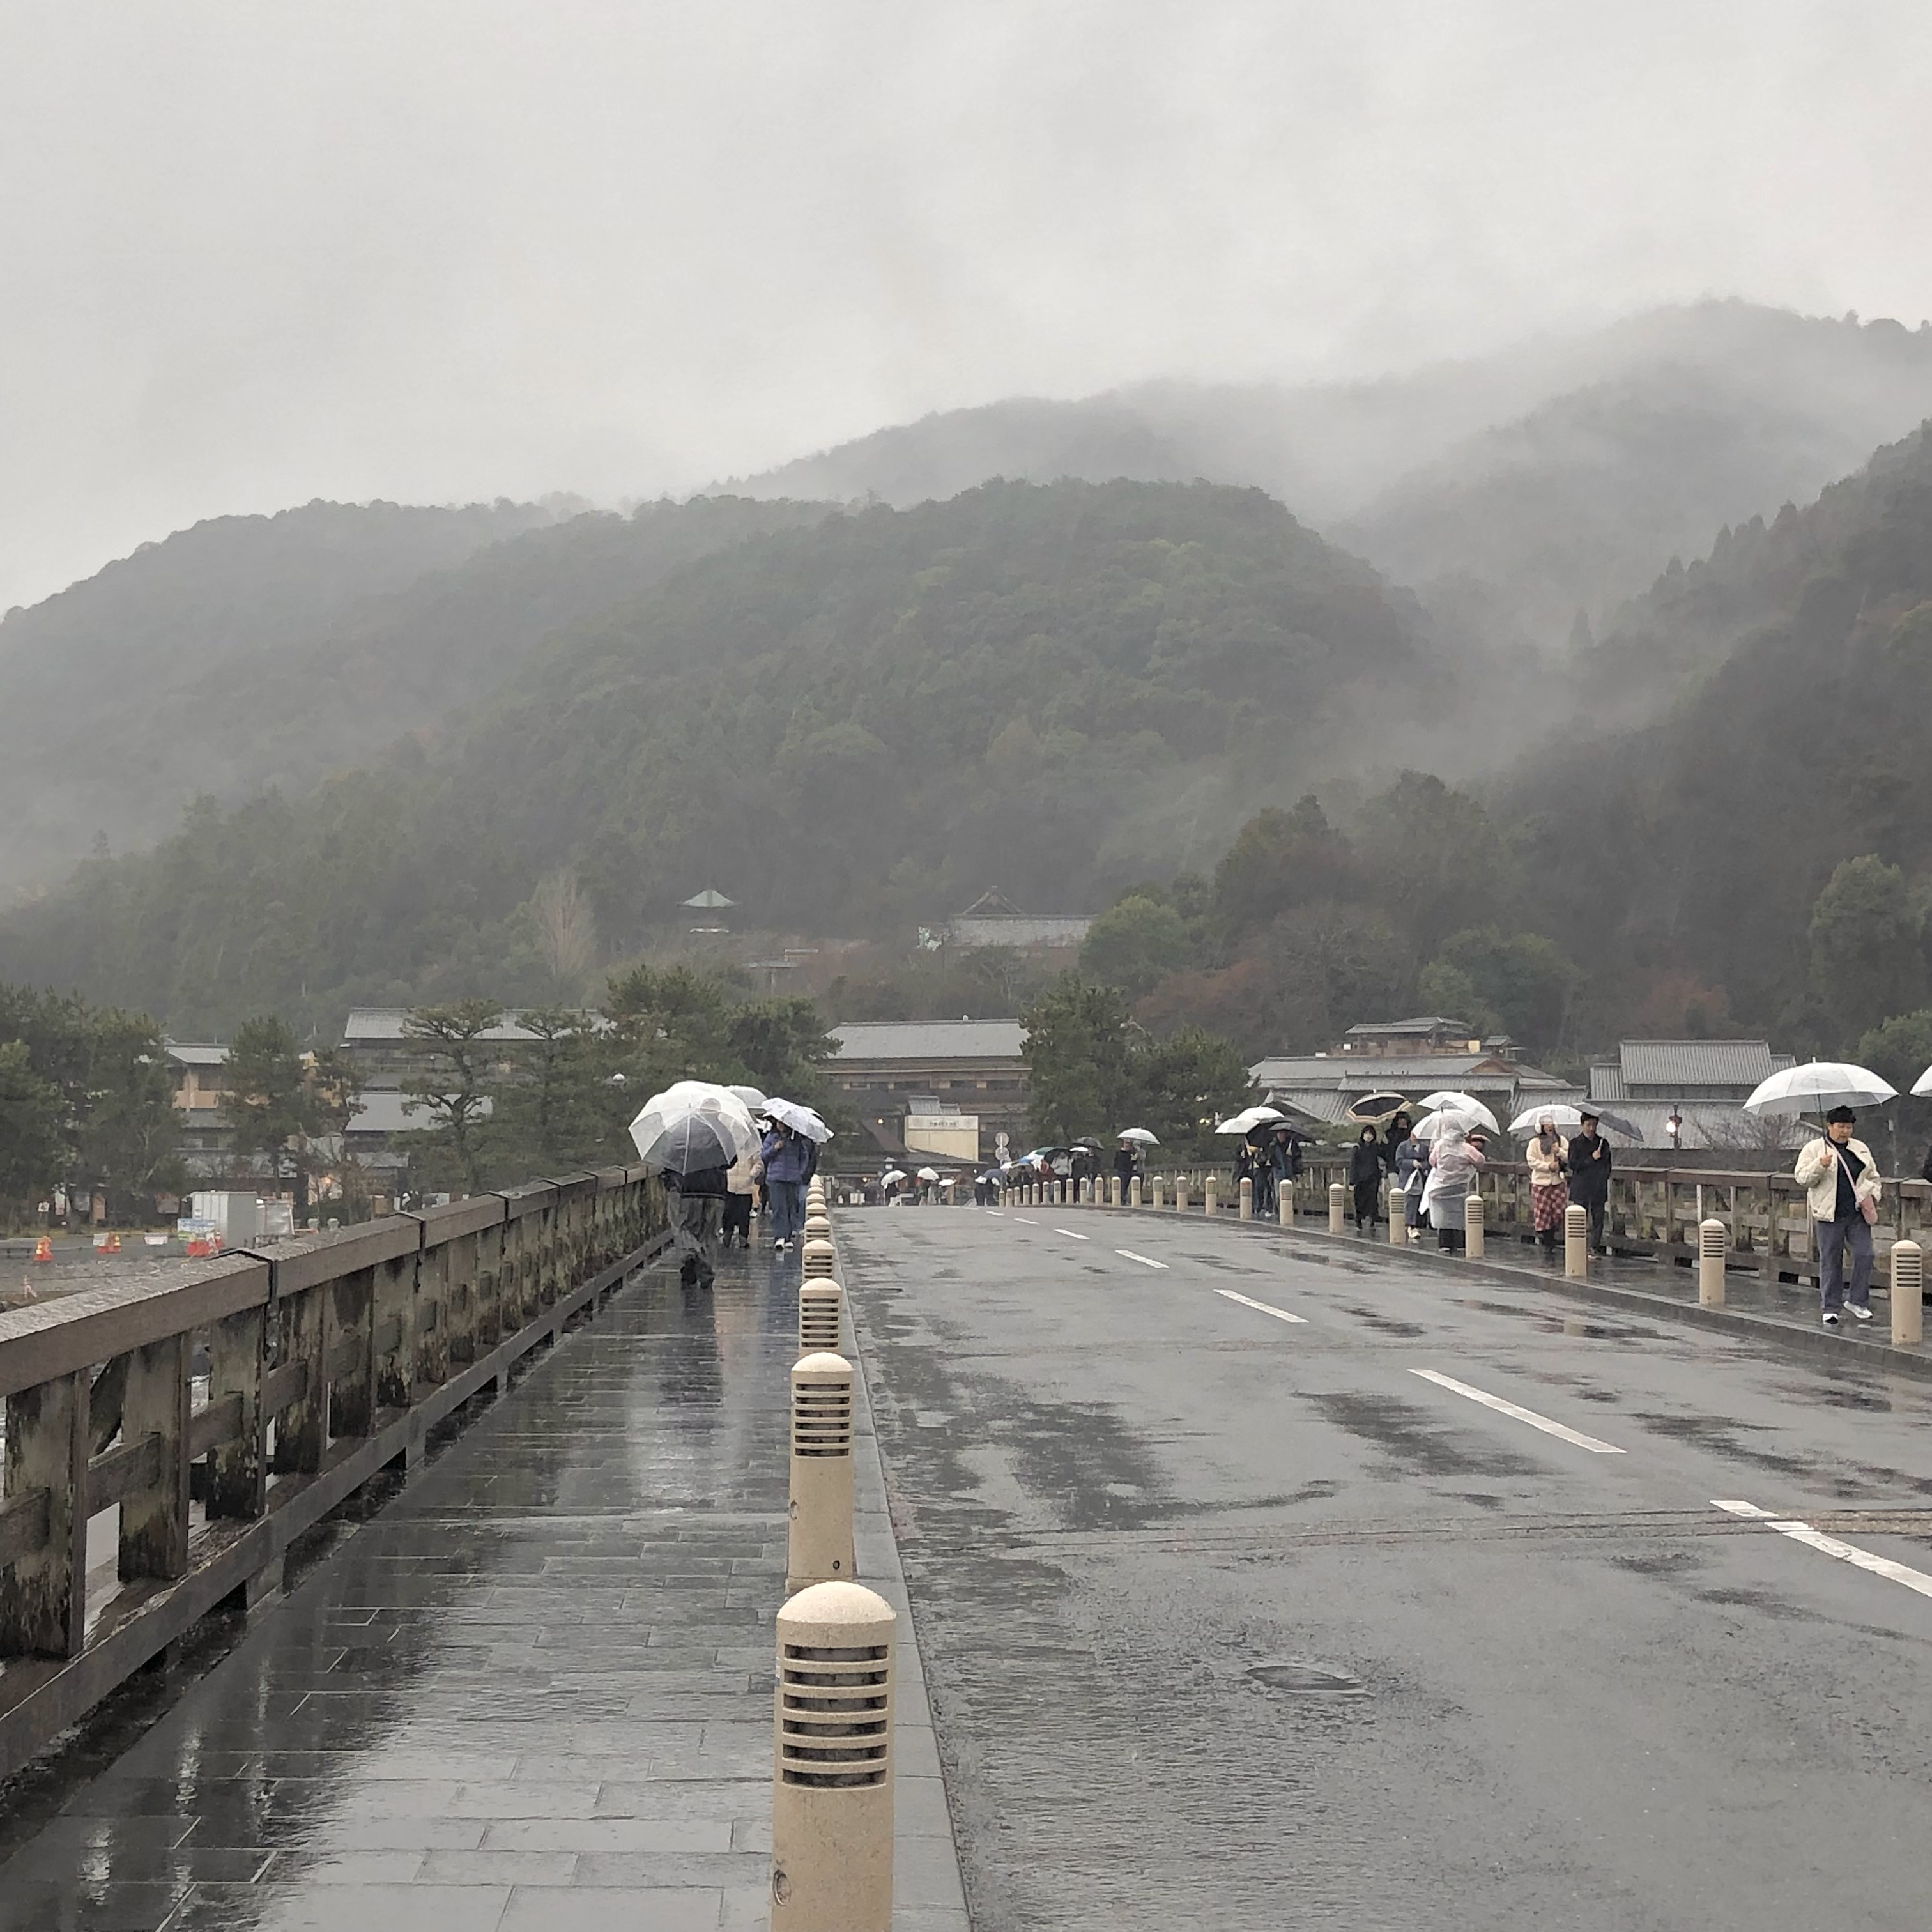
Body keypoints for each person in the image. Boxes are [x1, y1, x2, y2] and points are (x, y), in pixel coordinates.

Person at [1795, 1106, 1881, 1327]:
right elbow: (1802, 1178)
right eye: (1841, 1126)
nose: (1845, 1131)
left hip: (1856, 1213)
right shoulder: (1814, 1148)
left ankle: (1857, 1301)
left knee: (1865, 1254)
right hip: (1828, 1214)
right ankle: (1830, 1307)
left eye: (1849, 1127)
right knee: (1831, 1260)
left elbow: (1873, 1176)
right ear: (1829, 1126)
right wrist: (1819, 1166)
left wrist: (1872, 1195)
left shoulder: (1860, 1148)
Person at [1423, 1126, 1487, 1251]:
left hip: (1441, 1187)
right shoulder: (1466, 1148)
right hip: (1459, 1186)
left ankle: (1445, 1243)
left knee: (1443, 1216)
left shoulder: (1440, 1146)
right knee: (1459, 1214)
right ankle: (1460, 1242)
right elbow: (1480, 1160)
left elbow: (1432, 1161)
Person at [667, 1159, 726, 1289]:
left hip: (690, 1190)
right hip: (716, 1191)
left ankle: (692, 1252)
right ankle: (706, 1273)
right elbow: (730, 1162)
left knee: (685, 1227)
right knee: (710, 1234)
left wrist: (670, 1182)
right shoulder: (718, 1142)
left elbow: (669, 1165)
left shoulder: (683, 1142)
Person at [1567, 1111, 1613, 1255]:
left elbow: (1607, 1165)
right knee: (1580, 1218)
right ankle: (1579, 1246)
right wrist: (1591, 1158)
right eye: (1588, 1125)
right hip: (1582, 1186)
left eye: (1594, 1125)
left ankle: (1595, 1246)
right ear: (1582, 1125)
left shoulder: (1603, 1143)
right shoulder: (1575, 1143)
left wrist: (1602, 1178)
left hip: (1598, 1186)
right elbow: (1574, 1164)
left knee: (1598, 1218)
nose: (1591, 1128)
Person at [761, 1120, 810, 1250]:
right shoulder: (771, 1137)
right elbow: (764, 1156)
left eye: (783, 1123)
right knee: (778, 1208)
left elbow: (804, 1157)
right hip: (775, 1178)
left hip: (792, 1179)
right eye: (778, 1123)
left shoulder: (796, 1139)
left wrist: (800, 1172)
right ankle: (779, 1236)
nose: (780, 1125)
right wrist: (775, 1148)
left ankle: (788, 1236)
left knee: (790, 1208)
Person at [1526, 1114, 1570, 1254]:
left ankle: (1554, 1234)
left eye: (1551, 1124)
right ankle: (1547, 1241)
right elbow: (1531, 1160)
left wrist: (1560, 1151)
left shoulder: (1561, 1140)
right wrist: (1547, 1166)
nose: (1549, 1127)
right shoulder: (1534, 1143)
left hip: (1558, 1180)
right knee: (1543, 1212)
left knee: (1558, 1211)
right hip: (1541, 1181)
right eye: (1546, 1124)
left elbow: (1570, 1156)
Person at [1395, 1121, 1428, 1241]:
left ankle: (1418, 1225)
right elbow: (1398, 1161)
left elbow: (1429, 1162)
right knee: (1409, 1201)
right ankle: (1410, 1225)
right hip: (1407, 1178)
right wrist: (1411, 1163)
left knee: (1419, 1202)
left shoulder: (1424, 1148)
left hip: (1421, 1177)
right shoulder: (1403, 1146)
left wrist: (1422, 1166)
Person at [1347, 1125, 1385, 1230]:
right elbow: (1353, 1165)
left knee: (1373, 1200)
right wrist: (1352, 1182)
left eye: (1371, 1134)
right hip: (1360, 1179)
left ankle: (1372, 1220)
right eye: (1366, 1134)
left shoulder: (1376, 1147)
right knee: (1359, 1200)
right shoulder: (1357, 1148)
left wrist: (1385, 1142)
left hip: (1373, 1178)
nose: (1368, 1136)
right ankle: (1359, 1220)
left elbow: (1385, 1155)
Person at [1112, 1137, 1138, 1203]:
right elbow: (1116, 1161)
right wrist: (1116, 1168)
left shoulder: (1131, 1153)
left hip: (1128, 1170)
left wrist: (1134, 1159)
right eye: (1126, 1143)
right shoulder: (1119, 1152)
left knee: (1126, 1185)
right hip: (1121, 1170)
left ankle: (1124, 1197)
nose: (1127, 1145)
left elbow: (1133, 1162)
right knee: (1122, 1184)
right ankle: (1122, 1198)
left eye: (1128, 1143)